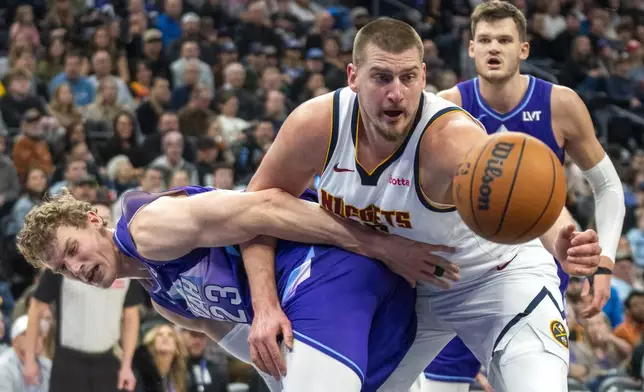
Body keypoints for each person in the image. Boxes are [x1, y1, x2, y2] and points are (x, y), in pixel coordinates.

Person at [239, 15, 602, 391]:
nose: (396, 92)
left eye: (408, 77)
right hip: (412, 294)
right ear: (353, 76)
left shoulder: (451, 138)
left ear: (424, 77)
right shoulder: (316, 126)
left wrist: (559, 234)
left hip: (499, 281)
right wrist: (265, 307)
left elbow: (521, 183)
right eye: (381, 78)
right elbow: (253, 213)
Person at [15, 186, 451, 392]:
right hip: (324, 306)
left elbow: (265, 207)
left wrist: (381, 245)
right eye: (63, 269)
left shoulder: (148, 226)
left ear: (93, 219)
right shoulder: (163, 300)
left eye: (72, 250)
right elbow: (261, 353)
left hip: (325, 265)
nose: (76, 268)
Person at [420, 2, 626, 391]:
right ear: (470, 48)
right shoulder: (448, 107)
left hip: (538, 274)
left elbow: (609, 186)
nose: (493, 48)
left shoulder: (559, 103)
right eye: (484, 40)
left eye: (504, 40)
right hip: (466, 274)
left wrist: (605, 264)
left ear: (524, 49)